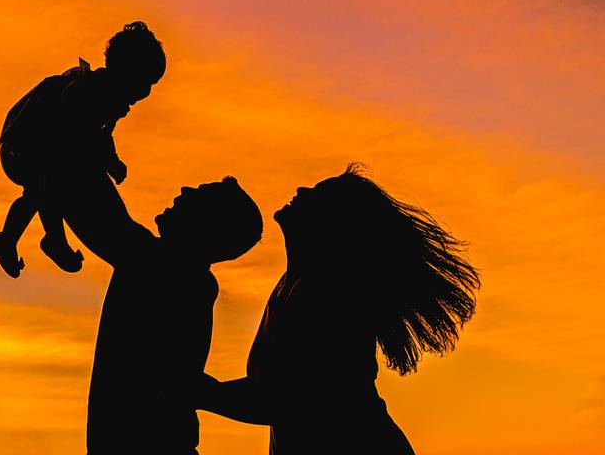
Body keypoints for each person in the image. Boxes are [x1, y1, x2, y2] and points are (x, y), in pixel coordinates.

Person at [196, 164, 481, 454]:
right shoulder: (297, 282)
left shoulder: (327, 292)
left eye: (316, 195)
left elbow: (289, 400)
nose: (301, 191)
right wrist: (205, 392)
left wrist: (198, 393)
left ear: (332, 222)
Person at [56, 176, 263, 455]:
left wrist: (72, 158)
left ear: (206, 226)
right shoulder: (184, 274)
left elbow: (96, 212)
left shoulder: (164, 265)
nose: (185, 187)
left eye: (200, 195)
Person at [0, 21, 166, 277]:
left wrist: (111, 161)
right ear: (124, 71)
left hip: (38, 152)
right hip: (24, 149)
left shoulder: (107, 94)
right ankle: (53, 240)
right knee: (50, 185)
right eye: (143, 81)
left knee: (37, 193)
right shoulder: (91, 89)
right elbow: (80, 126)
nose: (145, 92)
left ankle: (9, 239)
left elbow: (103, 135)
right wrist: (101, 159)